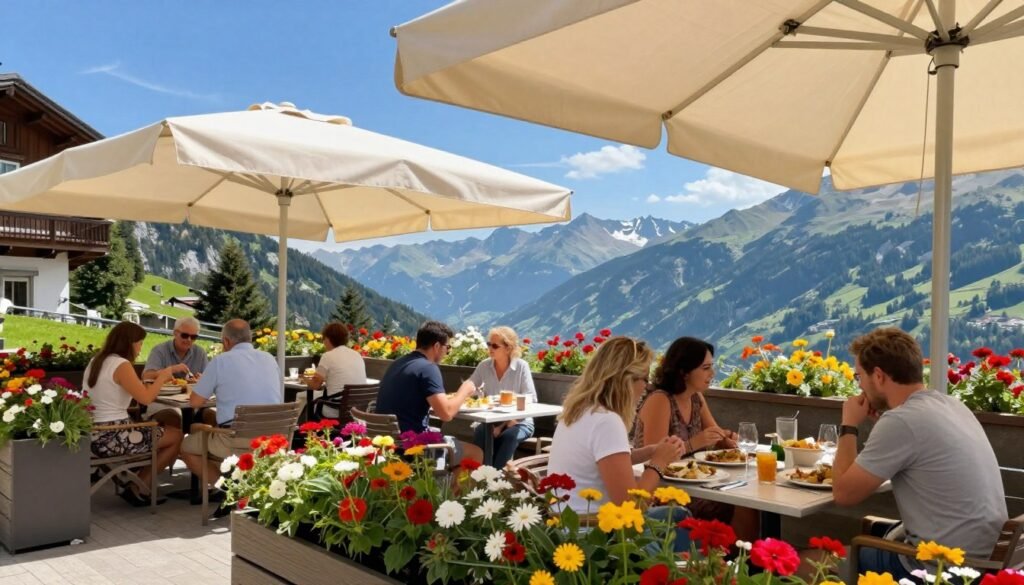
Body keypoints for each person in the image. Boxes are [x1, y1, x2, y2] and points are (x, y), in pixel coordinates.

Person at [832, 328, 1006, 580]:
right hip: (984, 561)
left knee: (806, 561)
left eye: (859, 377)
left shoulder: (902, 422)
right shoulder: (951, 405)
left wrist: (848, 425)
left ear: (878, 376)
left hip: (941, 570)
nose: (859, 386)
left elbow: (843, 494)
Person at [546, 336, 691, 552]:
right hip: (594, 537)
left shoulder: (581, 410)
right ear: (625, 380)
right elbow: (631, 507)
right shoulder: (606, 421)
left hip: (566, 527)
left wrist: (650, 451)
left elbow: (605, 461)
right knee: (684, 522)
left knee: (680, 516)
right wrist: (659, 462)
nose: (647, 386)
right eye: (644, 378)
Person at [631, 336, 759, 540]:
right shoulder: (660, 400)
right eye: (705, 368)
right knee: (744, 503)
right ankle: (734, 561)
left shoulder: (695, 398)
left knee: (749, 499)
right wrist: (695, 443)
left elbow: (714, 433)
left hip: (696, 485)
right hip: (666, 493)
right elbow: (653, 457)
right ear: (684, 372)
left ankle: (739, 562)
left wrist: (725, 439)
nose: (712, 373)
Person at [84, 321, 184, 507]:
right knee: (176, 435)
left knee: (161, 430)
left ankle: (137, 480)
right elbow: (146, 399)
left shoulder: (97, 361)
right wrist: (162, 378)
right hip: (115, 436)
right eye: (139, 343)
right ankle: (139, 486)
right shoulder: (121, 364)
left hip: (94, 434)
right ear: (129, 343)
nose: (140, 347)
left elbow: (129, 390)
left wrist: (152, 378)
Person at [180, 319, 282, 489]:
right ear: (250, 338)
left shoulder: (220, 361)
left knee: (186, 446)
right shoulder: (270, 359)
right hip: (272, 437)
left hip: (236, 440)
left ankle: (230, 490)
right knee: (210, 422)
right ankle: (242, 487)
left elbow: (195, 401)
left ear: (226, 341)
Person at [375, 320, 484, 464]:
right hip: (414, 446)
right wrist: (465, 390)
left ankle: (443, 485)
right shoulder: (428, 368)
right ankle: (447, 487)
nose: (447, 352)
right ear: (437, 346)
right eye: (448, 347)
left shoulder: (398, 363)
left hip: (388, 443)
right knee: (475, 453)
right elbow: (446, 414)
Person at [455, 326, 537, 468]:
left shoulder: (521, 367)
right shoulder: (484, 366)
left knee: (509, 437)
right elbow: (471, 383)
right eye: (489, 344)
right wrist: (458, 396)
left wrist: (509, 402)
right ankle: (478, 475)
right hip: (491, 421)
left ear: (508, 348)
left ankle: (495, 478)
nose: (490, 348)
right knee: (481, 432)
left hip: (520, 421)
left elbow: (531, 398)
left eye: (495, 345)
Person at [306, 322, 366, 418]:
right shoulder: (357, 355)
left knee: (307, 399)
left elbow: (315, 385)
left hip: (336, 410)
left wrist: (303, 379)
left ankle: (304, 430)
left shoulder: (328, 356)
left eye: (324, 339)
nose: (324, 343)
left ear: (328, 339)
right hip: (357, 410)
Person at [143, 316, 208, 381]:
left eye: (193, 337)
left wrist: (203, 379)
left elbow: (210, 380)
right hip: (165, 391)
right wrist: (172, 369)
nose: (189, 339)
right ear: (175, 333)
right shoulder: (160, 350)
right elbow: (146, 376)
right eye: (185, 335)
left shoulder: (200, 353)